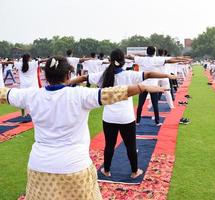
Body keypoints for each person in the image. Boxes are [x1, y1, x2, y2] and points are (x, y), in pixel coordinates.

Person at [0, 56, 165, 200]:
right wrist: (142, 87)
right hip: (74, 168)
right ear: (68, 75)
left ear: (46, 76)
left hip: (39, 168)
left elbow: (4, 94)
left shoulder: (31, 95)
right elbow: (113, 93)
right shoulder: (79, 95)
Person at [71, 49, 176, 178]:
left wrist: (65, 83)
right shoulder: (129, 75)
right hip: (126, 118)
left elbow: (83, 77)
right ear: (123, 61)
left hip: (109, 118)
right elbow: (149, 74)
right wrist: (167, 76)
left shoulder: (103, 75)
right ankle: (134, 171)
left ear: (110, 61)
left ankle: (107, 170)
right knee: (130, 146)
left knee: (109, 145)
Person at [127, 46, 187, 126]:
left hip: (143, 85)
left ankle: (137, 121)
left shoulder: (141, 59)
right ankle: (157, 122)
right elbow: (170, 60)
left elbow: (130, 56)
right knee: (155, 104)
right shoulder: (156, 59)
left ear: (146, 52)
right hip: (153, 86)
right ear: (154, 52)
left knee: (140, 104)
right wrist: (180, 59)